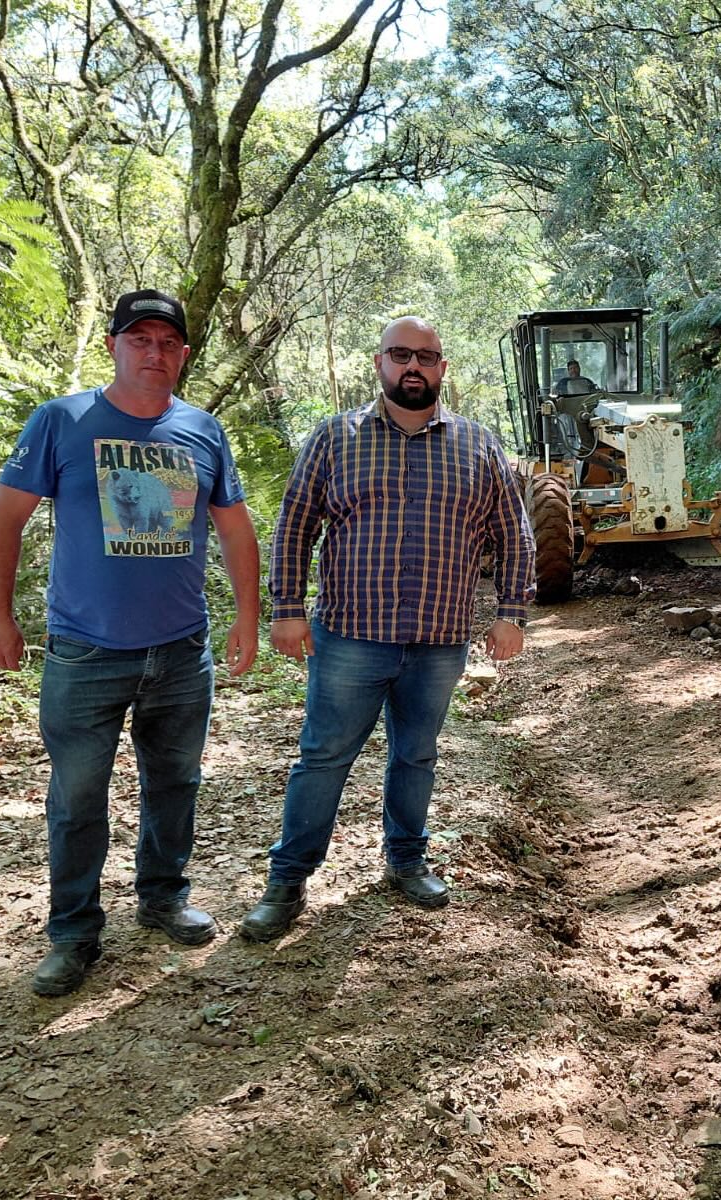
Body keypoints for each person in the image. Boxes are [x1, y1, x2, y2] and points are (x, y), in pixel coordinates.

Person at [0, 289, 260, 997]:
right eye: (139, 339)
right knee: (78, 799)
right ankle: (73, 933)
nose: (153, 352)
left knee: (176, 783)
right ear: (114, 346)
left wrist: (248, 615)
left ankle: (162, 897)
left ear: (184, 354)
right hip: (85, 652)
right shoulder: (62, 420)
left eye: (167, 342)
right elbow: (5, 519)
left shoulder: (202, 430)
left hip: (181, 651)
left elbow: (234, 528)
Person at [240, 315, 535, 941]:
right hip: (351, 635)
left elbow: (515, 534)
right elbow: (295, 525)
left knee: (417, 754)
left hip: (439, 639)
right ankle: (287, 881)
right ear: (379, 362)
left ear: (442, 368)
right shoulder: (335, 437)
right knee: (323, 757)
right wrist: (286, 608)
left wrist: (511, 613)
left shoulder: (479, 446)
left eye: (425, 356)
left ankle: (406, 860)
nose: (413, 366)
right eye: (400, 354)